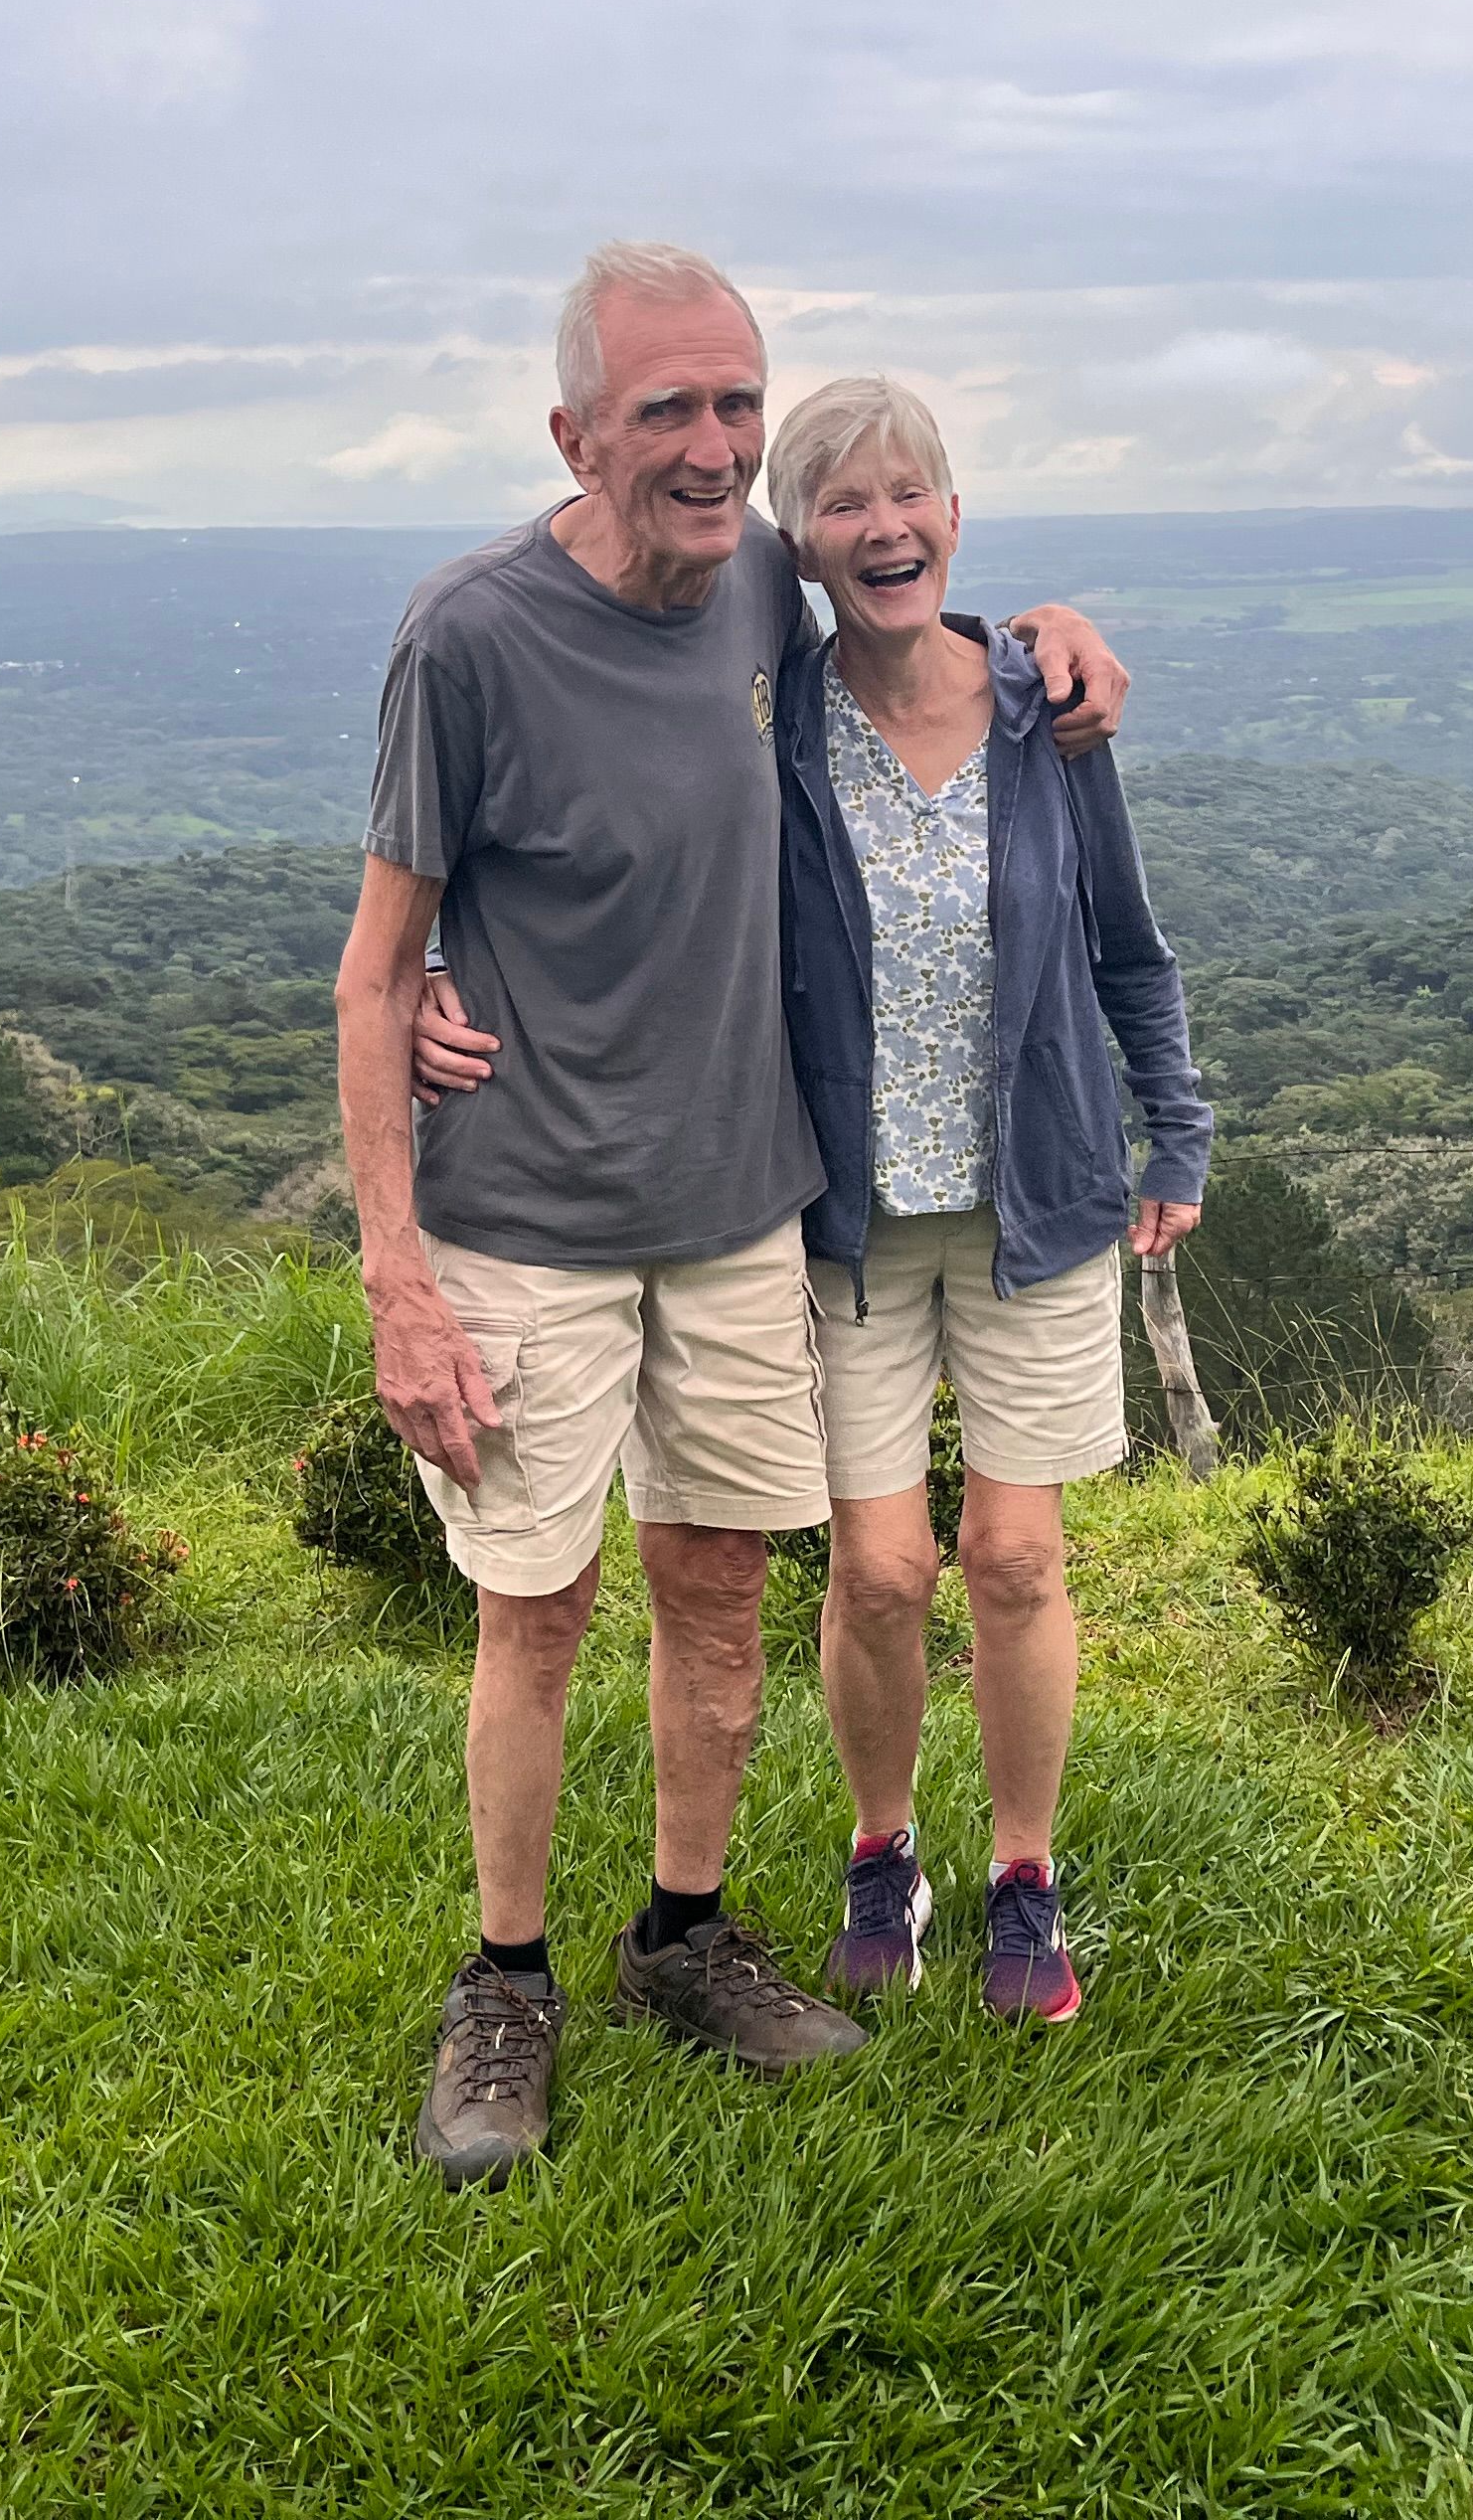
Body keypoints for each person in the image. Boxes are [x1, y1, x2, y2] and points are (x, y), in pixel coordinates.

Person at [336, 244, 1128, 2188]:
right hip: (526, 1212)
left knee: (713, 1590)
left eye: (736, 406)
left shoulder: (767, 588)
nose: (711, 446)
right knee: (537, 1610)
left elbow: (912, 612)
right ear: (573, 436)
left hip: (746, 1210)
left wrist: (1053, 636)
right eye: (666, 411)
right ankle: (505, 1983)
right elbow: (374, 966)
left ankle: (685, 1934)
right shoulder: (469, 635)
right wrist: (397, 1278)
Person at [767, 377, 1209, 2026]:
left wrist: (1178, 1135)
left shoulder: (1047, 714)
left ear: (954, 517)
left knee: (1014, 1557)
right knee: (879, 1571)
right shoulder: (774, 723)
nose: (883, 528)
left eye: (910, 496)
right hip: (848, 1216)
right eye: (842, 503)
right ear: (799, 542)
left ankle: (1026, 1871)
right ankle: (883, 1849)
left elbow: (1127, 947)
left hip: (1039, 1196)